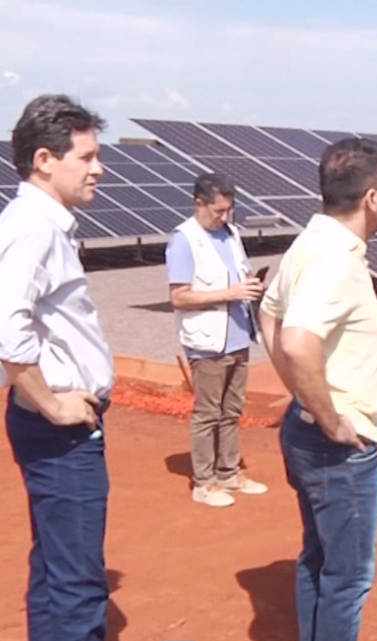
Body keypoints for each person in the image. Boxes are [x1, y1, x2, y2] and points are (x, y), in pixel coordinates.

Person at [258, 136, 377, 641]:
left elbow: (269, 314)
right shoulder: (336, 259)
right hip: (339, 447)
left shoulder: (309, 243)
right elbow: (295, 340)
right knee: (348, 576)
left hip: (307, 432)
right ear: (372, 197)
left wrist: (301, 397)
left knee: (317, 558)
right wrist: (330, 415)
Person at [0, 94, 116, 641]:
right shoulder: (36, 228)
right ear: (45, 159)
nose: (99, 167)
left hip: (54, 424)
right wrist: (52, 402)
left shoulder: (43, 222)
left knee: (54, 566)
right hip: (61, 429)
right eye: (87, 156)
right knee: (77, 585)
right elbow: (5, 327)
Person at [166, 172, 267, 507]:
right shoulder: (184, 240)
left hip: (238, 337)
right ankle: (204, 481)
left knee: (232, 409)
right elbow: (179, 297)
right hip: (207, 342)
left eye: (229, 210)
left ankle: (229, 471)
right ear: (199, 204)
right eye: (219, 211)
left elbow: (239, 277)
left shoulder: (232, 233)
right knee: (208, 412)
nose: (224, 217)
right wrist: (231, 293)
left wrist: (252, 288)